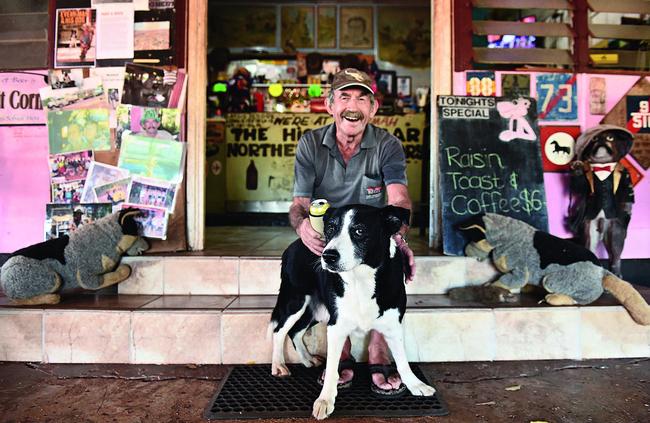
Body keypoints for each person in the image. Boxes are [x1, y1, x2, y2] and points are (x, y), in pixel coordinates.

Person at [289, 68, 416, 396]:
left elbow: (398, 197)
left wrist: (399, 237)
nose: (352, 106)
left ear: (373, 109)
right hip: (329, 231)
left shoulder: (387, 145)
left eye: (362, 98)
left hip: (370, 234)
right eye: (344, 97)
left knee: (392, 258)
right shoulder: (311, 144)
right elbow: (299, 204)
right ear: (330, 104)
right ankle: (340, 347)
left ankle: (378, 348)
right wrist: (303, 226)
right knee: (325, 261)